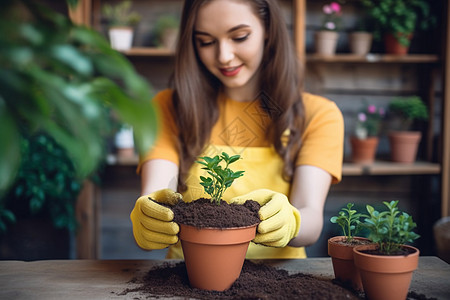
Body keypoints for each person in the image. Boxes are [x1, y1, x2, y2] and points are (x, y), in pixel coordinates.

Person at [130, 0, 344, 259]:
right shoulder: (167, 108)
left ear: (268, 30)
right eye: (206, 41)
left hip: (281, 281)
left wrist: (292, 221)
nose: (223, 56)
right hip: (187, 277)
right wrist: (149, 216)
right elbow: (156, 194)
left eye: (239, 37)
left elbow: (311, 217)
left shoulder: (316, 114)